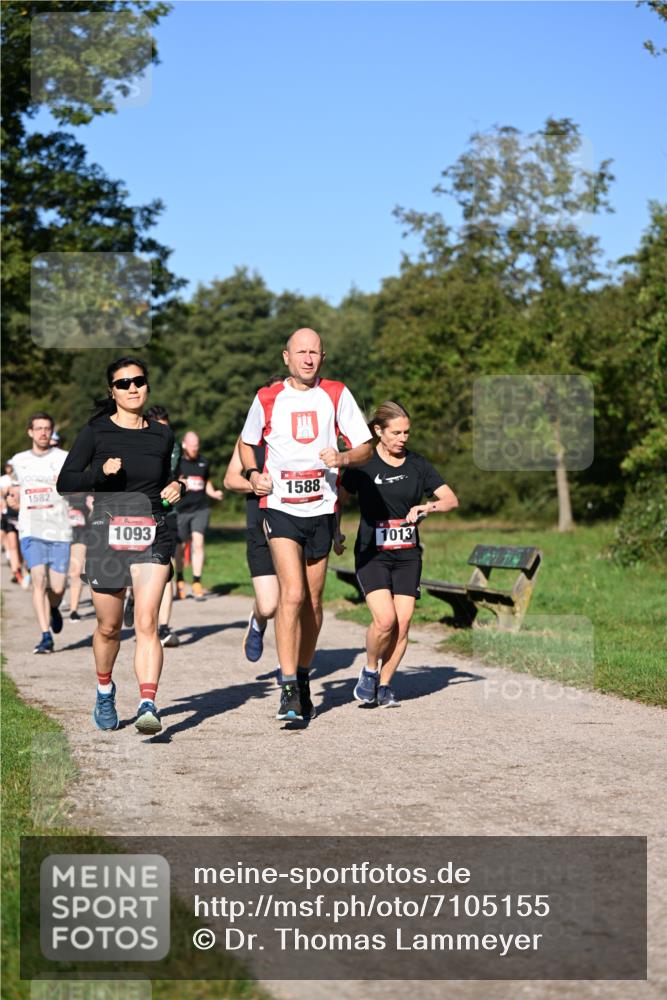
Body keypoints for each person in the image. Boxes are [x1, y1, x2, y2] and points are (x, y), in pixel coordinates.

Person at [239, 327, 373, 723]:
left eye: (315, 352)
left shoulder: (336, 394)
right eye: (301, 352)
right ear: (287, 357)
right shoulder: (267, 398)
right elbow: (247, 443)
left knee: (313, 601)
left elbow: (366, 447)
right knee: (293, 594)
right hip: (279, 508)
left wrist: (344, 458)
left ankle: (301, 676)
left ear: (323, 357)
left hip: (322, 509)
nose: (308, 358)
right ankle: (287, 690)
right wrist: (253, 474)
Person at [56, 357, 184, 734]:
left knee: (146, 622)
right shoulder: (96, 432)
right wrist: (100, 473)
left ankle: (148, 703)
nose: (132, 388)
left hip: (152, 530)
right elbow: (66, 482)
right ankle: (104, 690)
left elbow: (165, 480)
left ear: (147, 385)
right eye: (123, 383)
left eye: (138, 381)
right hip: (107, 532)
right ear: (112, 391)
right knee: (109, 627)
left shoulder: (162, 435)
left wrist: (175, 488)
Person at [338, 401, 459, 707]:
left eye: (406, 432)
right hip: (372, 553)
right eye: (396, 433)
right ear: (378, 431)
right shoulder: (363, 463)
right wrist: (335, 532)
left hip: (407, 555)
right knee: (385, 620)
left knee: (403, 624)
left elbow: (450, 499)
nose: (402, 438)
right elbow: (339, 498)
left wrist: (427, 507)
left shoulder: (417, 464)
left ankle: (385, 685)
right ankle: (370, 670)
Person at [223, 376, 284, 663]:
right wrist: (254, 483)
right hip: (260, 527)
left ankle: (288, 668)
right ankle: (258, 621)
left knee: (292, 601)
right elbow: (229, 480)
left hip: (295, 525)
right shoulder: (250, 438)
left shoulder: (301, 436)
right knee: (270, 605)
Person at [10, 413, 71, 653]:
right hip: (30, 528)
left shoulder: (64, 458)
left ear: (52, 432)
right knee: (38, 580)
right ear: (30, 432)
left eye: (47, 428)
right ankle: (46, 636)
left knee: (57, 588)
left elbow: (74, 488)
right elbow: (14, 489)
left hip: (59, 529)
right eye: (38, 428)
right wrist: (13, 500)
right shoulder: (19, 460)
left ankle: (53, 607)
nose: (43, 433)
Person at [145, 404, 181, 647]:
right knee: (138, 566)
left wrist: (178, 486)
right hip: (139, 514)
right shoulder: (134, 443)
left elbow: (176, 476)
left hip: (168, 513)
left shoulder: (174, 447)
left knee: (166, 567)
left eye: (166, 429)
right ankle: (135, 598)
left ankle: (164, 626)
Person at [174, 432, 223, 601]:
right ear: (184, 444)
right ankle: (180, 580)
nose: (195, 448)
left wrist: (213, 493)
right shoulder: (178, 463)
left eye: (197, 445)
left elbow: (206, 481)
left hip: (200, 509)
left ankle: (196, 582)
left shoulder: (204, 462)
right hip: (181, 510)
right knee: (180, 547)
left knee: (198, 543)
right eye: (192, 445)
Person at [64, 493, 93, 620]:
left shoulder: (88, 492)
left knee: (75, 572)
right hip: (58, 534)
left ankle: (73, 610)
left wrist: (93, 510)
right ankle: (54, 605)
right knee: (59, 573)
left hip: (80, 534)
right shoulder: (57, 491)